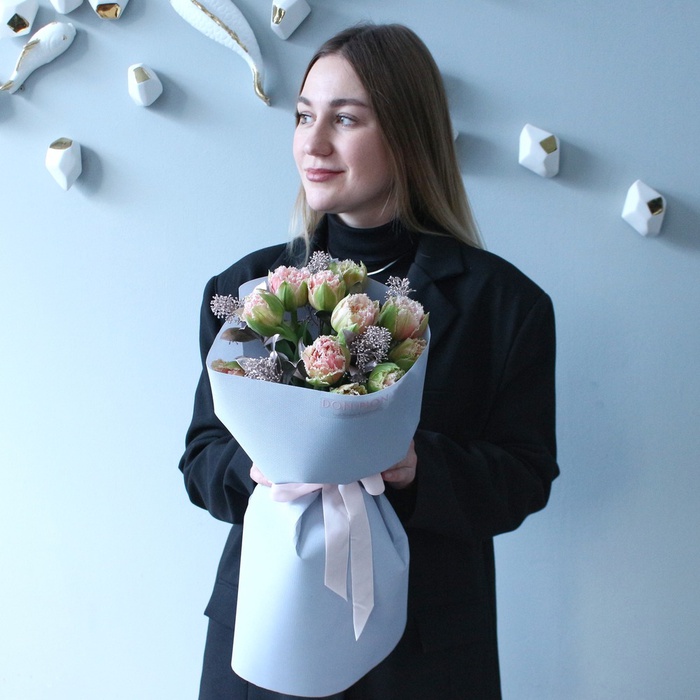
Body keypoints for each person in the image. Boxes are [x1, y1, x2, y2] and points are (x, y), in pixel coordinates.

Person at [180, 23, 559, 700]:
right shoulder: (241, 291)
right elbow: (202, 460)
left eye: (345, 118)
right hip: (265, 637)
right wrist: (258, 470)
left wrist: (416, 467)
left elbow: (524, 477)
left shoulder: (506, 304)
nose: (313, 143)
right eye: (304, 116)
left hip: (425, 655)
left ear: (409, 135)